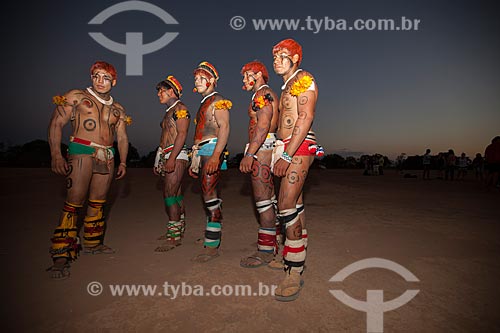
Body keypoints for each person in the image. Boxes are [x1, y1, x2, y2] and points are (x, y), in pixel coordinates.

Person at [47, 61, 131, 279]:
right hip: (81, 151)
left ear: (114, 81)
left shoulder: (118, 109)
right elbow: (56, 123)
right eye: (96, 76)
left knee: (98, 201)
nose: (100, 81)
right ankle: (61, 254)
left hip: (108, 156)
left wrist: (123, 162)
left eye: (105, 77)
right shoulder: (76, 96)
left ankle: (93, 243)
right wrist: (56, 154)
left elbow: (121, 137)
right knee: (74, 201)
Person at [271, 38, 321, 301]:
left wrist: (287, 155)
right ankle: (295, 252)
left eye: (283, 55)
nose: (277, 59)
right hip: (287, 146)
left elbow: (305, 117)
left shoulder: (304, 78)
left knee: (285, 205)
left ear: (296, 58)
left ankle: (294, 271)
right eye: (275, 56)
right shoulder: (288, 84)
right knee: (296, 203)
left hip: (298, 148)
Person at [238, 61, 280, 268]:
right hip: (265, 147)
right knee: (270, 199)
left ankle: (265, 252)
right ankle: (274, 243)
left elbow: (263, 126)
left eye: (247, 75)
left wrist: (250, 154)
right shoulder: (265, 93)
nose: (244, 80)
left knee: (263, 200)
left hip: (262, 148)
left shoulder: (262, 93)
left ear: (259, 75)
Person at [188, 61, 231, 262]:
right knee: (207, 193)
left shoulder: (218, 100)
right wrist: (195, 157)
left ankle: (212, 245)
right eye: (195, 78)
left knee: (209, 193)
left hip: (212, 149)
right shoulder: (204, 101)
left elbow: (224, 128)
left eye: (201, 78)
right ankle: (210, 233)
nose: (196, 81)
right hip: (202, 151)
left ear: (212, 80)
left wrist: (216, 155)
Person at [153, 75, 190, 252]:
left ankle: (173, 236)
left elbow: (182, 134)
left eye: (162, 90)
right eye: (158, 91)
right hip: (167, 154)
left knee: (169, 194)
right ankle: (178, 229)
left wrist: (172, 158)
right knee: (176, 194)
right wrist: (159, 158)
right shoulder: (169, 111)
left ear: (172, 92)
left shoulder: (180, 108)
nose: (159, 94)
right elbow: (165, 138)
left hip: (176, 155)